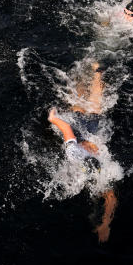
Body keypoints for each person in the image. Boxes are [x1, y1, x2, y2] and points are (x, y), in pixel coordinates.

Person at [47, 63, 118, 243]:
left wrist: (54, 118)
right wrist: (54, 119)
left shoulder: (75, 155)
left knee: (83, 101)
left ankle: (89, 71)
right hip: (87, 130)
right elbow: (111, 198)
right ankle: (93, 71)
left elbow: (67, 128)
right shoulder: (88, 166)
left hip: (82, 129)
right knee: (87, 102)